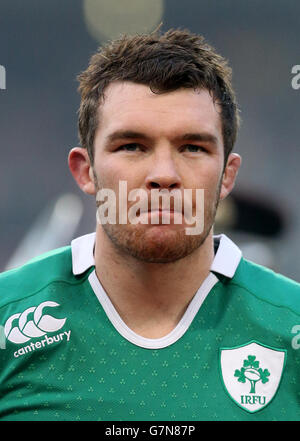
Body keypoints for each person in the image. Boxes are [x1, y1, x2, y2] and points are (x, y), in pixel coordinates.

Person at [0, 28, 299, 422]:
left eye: (192, 147)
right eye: (132, 146)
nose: (163, 174)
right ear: (84, 170)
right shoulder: (8, 319)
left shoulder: (290, 327)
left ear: (228, 175)